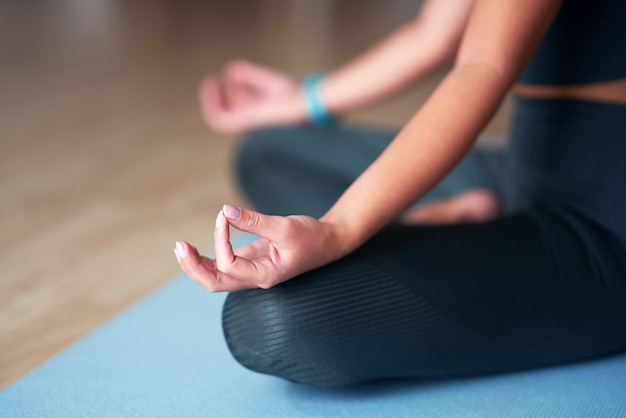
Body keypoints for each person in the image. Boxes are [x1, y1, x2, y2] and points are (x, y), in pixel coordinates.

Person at [174, 0, 626, 386]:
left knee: (270, 319)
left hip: (602, 227)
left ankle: (442, 222)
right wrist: (301, 101)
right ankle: (453, 217)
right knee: (268, 151)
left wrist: (338, 229)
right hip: (523, 171)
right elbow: (434, 35)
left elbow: (481, 69)